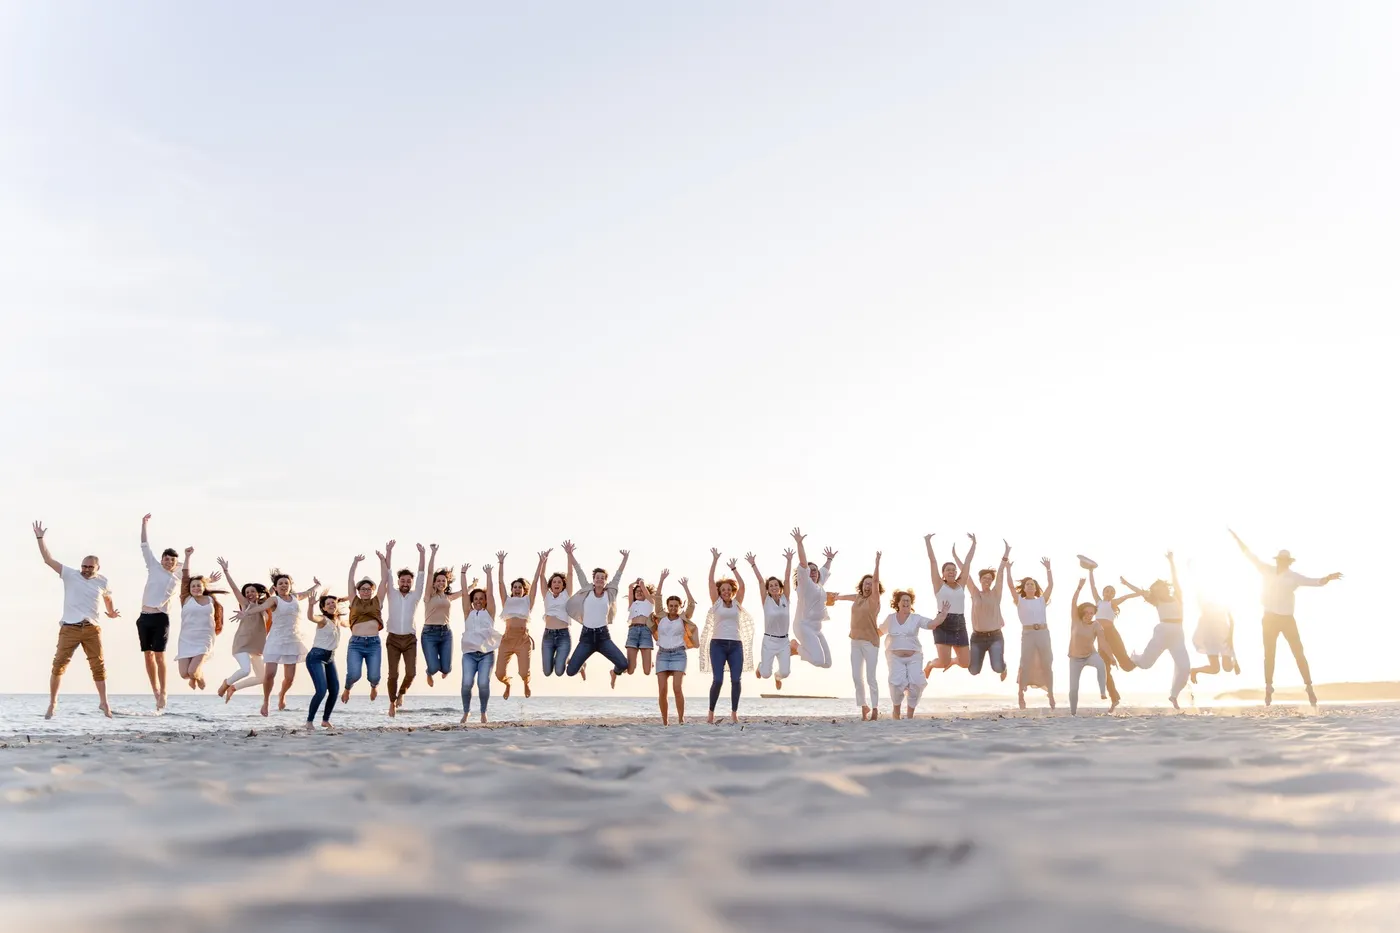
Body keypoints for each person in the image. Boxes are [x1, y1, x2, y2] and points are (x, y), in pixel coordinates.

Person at [1228, 529, 1342, 707]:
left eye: (1285, 561)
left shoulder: (1293, 577)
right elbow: (1250, 556)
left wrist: (1327, 578)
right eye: (1281, 561)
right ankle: (1268, 687)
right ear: (1278, 561)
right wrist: (1236, 538)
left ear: (1288, 562)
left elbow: (1313, 582)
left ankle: (1309, 686)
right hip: (1269, 619)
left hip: (1287, 620)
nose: (1283, 563)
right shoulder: (1267, 570)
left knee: (1298, 653)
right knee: (1269, 654)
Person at [32, 521, 118, 720]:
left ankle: (104, 702)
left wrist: (111, 612)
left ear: (97, 567)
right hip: (69, 628)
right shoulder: (70, 574)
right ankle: (53, 703)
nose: (86, 569)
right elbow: (48, 559)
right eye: (84, 566)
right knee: (58, 664)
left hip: (91, 628)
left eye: (90, 567)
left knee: (98, 665)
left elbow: (107, 596)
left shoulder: (103, 581)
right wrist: (40, 538)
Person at [242, 570, 318, 717]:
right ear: (275, 587)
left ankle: (282, 694)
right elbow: (261, 608)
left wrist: (317, 586)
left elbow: (308, 592)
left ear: (290, 585)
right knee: (270, 674)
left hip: (292, 640)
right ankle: (266, 702)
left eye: (286, 583)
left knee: (289, 678)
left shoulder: (296, 597)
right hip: (275, 640)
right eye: (280, 583)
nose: (283, 585)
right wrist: (246, 613)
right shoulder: (274, 600)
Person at [1121, 552, 1190, 710]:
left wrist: (1172, 561)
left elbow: (1176, 579)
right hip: (1162, 632)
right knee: (1145, 664)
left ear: (1166, 588)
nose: (1160, 591)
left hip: (1178, 634)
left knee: (1185, 667)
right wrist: (1126, 584)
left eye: (1162, 588)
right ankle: (1135, 657)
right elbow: (1140, 592)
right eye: (1157, 590)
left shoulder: (1178, 596)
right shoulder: (1157, 601)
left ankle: (1173, 695)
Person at [563, 542, 631, 687]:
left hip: (603, 637)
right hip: (586, 637)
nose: (599, 579)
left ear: (606, 581)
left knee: (623, 664)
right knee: (570, 672)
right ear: (593, 580)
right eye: (597, 577)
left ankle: (614, 673)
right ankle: (582, 666)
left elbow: (618, 575)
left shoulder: (610, 593)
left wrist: (625, 559)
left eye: (602, 578)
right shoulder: (587, 590)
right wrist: (570, 553)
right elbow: (578, 571)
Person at [700, 550, 753, 724]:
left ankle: (734, 712)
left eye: (729, 589)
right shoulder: (716, 604)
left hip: (736, 645)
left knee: (736, 679)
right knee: (718, 680)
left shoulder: (737, 604)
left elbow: (743, 586)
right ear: (719, 591)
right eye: (723, 590)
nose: (726, 592)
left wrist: (734, 569)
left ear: (732, 591)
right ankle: (711, 713)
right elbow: (709, 581)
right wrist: (715, 560)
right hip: (717, 645)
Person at [879, 590, 950, 719]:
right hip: (895, 658)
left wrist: (943, 614)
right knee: (896, 683)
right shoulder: (890, 619)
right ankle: (896, 712)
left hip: (914, 657)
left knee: (916, 682)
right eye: (903, 600)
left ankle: (910, 715)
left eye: (908, 600)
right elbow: (879, 632)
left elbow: (932, 624)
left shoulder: (916, 618)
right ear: (898, 603)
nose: (906, 602)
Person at [831, 552, 885, 721]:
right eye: (865, 584)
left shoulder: (874, 599)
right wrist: (836, 598)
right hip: (855, 642)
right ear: (861, 586)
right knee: (856, 676)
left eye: (870, 584)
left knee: (870, 677)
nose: (868, 586)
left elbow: (876, 582)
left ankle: (875, 708)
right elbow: (846, 597)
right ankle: (864, 707)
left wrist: (877, 563)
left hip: (870, 643)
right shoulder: (858, 598)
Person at [136, 514, 181, 710]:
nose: (169, 562)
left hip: (161, 617)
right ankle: (155, 691)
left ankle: (164, 691)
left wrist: (210, 581)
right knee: (147, 655)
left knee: (159, 655)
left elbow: (195, 579)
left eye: (172, 560)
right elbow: (145, 545)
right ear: (162, 559)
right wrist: (144, 524)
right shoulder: (154, 567)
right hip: (144, 617)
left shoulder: (177, 575)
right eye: (167, 559)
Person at [215, 558, 271, 703]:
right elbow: (234, 589)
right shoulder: (245, 604)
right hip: (242, 644)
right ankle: (226, 683)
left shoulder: (265, 605)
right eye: (247, 592)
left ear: (258, 593)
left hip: (257, 646)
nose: (249, 594)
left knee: (262, 678)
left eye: (253, 591)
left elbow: (274, 592)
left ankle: (233, 687)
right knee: (245, 670)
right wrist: (226, 571)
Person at [1085, 561, 1138, 711]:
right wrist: (1090, 571)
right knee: (1104, 669)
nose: (1108, 593)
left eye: (1111, 592)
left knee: (1126, 666)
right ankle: (1114, 699)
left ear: (1113, 595)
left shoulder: (1113, 603)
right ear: (1103, 593)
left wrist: (1128, 584)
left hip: (1112, 635)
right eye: (1106, 591)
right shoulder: (1098, 602)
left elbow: (1128, 596)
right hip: (1101, 636)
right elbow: (1093, 587)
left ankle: (1138, 660)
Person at [383, 541, 427, 717]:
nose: (405, 583)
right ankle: (392, 702)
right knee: (393, 674)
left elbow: (422, 575)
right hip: (393, 638)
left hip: (409, 639)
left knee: (411, 673)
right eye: (403, 580)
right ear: (399, 581)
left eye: (409, 581)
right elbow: (387, 573)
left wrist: (422, 555)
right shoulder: (391, 593)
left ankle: (401, 693)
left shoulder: (415, 595)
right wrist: (388, 551)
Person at [649, 570, 698, 725]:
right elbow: (657, 597)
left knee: (677, 688)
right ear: (667, 606)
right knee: (662, 690)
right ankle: (665, 721)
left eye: (676, 606)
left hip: (678, 654)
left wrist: (686, 587)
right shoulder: (661, 615)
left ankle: (681, 719)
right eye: (670, 605)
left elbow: (691, 604)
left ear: (679, 606)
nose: (673, 608)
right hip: (662, 654)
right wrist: (661, 579)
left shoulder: (683, 618)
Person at [341, 549, 389, 705]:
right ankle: (348, 688)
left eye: (369, 589)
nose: (366, 591)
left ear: (372, 590)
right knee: (354, 674)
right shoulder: (354, 601)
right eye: (363, 589)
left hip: (374, 643)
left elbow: (384, 580)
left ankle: (374, 686)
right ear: (359, 591)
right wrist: (355, 563)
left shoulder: (377, 601)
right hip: (356, 643)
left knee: (374, 676)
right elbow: (349, 580)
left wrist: (382, 560)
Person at [173, 548, 226, 690]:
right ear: (189, 588)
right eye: (193, 586)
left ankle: (198, 676)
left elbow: (218, 618)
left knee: (191, 671)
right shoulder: (186, 598)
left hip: (204, 639)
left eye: (199, 586)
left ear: (204, 587)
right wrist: (187, 556)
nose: (196, 588)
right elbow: (185, 576)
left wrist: (217, 630)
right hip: (186, 639)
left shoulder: (210, 600)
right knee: (184, 674)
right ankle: (197, 676)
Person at [496, 550, 545, 699]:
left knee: (524, 672)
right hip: (507, 639)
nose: (517, 589)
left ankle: (525, 683)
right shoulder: (507, 601)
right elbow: (500, 581)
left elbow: (535, 581)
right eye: (515, 587)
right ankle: (507, 684)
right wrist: (501, 563)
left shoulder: (527, 601)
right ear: (512, 590)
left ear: (524, 590)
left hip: (523, 640)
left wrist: (541, 562)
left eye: (520, 587)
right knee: (499, 674)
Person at [1009, 556, 1056, 710]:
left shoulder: (1041, 600)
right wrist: (1008, 569)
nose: (1030, 586)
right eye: (1027, 584)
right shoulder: (1020, 601)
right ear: (1024, 588)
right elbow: (1010, 586)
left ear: (1035, 588)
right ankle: (1020, 694)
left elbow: (1051, 585)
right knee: (1025, 663)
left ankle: (1051, 694)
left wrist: (1048, 569)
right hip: (1028, 634)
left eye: (1032, 584)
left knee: (1047, 662)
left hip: (1043, 632)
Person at [923, 533, 974, 674]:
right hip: (943, 623)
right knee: (942, 662)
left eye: (953, 570)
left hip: (959, 624)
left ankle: (952, 661)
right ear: (943, 573)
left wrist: (974, 544)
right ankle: (930, 665)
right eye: (948, 570)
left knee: (965, 663)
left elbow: (968, 563)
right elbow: (933, 561)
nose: (951, 572)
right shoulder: (939, 585)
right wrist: (927, 541)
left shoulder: (961, 584)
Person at [746, 548, 795, 689]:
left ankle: (778, 677)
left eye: (776, 585)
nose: (773, 587)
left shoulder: (786, 598)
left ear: (780, 588)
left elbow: (787, 578)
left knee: (785, 672)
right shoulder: (766, 600)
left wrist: (789, 560)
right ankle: (760, 666)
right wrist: (753, 564)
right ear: (768, 589)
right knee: (765, 674)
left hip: (784, 641)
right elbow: (761, 581)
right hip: (769, 641)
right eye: (771, 585)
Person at [460, 563, 502, 724]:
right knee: (466, 683)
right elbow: (464, 594)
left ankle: (483, 712)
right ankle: (466, 712)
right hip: (469, 654)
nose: (478, 601)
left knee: (483, 683)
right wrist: (463, 573)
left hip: (487, 654)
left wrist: (489, 574)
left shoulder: (489, 612)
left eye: (481, 599)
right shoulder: (468, 613)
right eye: (475, 599)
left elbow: (491, 594)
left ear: (485, 601)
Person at [421, 553, 471, 687]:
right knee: (433, 668)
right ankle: (429, 673)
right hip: (429, 634)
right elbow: (430, 573)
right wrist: (433, 553)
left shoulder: (448, 597)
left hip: (446, 633)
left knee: (447, 669)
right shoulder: (429, 596)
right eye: (438, 580)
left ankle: (444, 669)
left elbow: (463, 593)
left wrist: (472, 585)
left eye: (443, 580)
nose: (441, 583)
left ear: (447, 583)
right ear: (434, 583)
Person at [789, 527, 836, 669]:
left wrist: (829, 559)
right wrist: (799, 543)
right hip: (803, 627)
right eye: (810, 571)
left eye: (815, 570)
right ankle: (795, 646)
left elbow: (825, 569)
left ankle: (797, 650)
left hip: (816, 628)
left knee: (827, 663)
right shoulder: (804, 585)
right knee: (818, 660)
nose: (813, 572)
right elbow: (803, 563)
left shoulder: (819, 584)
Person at [966, 540, 1012, 681]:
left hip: (995, 637)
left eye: (989, 579)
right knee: (973, 671)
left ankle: (1004, 668)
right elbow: (965, 573)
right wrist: (957, 556)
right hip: (977, 638)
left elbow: (1000, 573)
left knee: (997, 667)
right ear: (980, 580)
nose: (987, 580)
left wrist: (1006, 554)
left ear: (992, 581)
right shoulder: (974, 592)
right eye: (984, 578)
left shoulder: (996, 593)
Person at [303, 584, 346, 730]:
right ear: (323, 608)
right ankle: (309, 722)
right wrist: (310, 606)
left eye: (333, 603)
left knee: (334, 690)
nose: (332, 605)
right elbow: (310, 617)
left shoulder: (338, 620)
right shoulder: (322, 620)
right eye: (328, 604)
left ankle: (325, 720)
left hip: (330, 658)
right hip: (316, 657)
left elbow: (344, 601)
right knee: (321, 690)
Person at [1066, 579, 1108, 715]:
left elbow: (1102, 642)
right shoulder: (1076, 620)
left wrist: (1111, 657)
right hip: (1075, 658)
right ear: (1082, 612)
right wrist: (1079, 587)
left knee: (1101, 664)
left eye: (1092, 613)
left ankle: (1103, 691)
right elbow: (1073, 603)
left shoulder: (1096, 625)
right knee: (1073, 688)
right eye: (1087, 613)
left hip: (1090, 655)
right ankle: (1073, 713)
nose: (1089, 615)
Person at [539, 546, 573, 679]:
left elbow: (570, 574)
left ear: (563, 585)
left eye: (559, 582)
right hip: (548, 636)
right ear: (550, 585)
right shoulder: (546, 596)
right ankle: (563, 658)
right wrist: (544, 560)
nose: (557, 583)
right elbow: (541, 576)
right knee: (547, 672)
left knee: (559, 672)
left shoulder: (566, 595)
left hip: (563, 636)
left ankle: (571, 661)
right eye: (554, 582)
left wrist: (569, 554)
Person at [1190, 597, 1239, 684]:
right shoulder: (1205, 606)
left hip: (1223, 636)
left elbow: (1231, 621)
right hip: (1210, 638)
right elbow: (1198, 597)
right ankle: (1194, 671)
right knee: (1215, 669)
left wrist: (1230, 636)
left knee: (1227, 668)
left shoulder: (1223, 604)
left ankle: (1234, 663)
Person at [624, 576, 657, 676]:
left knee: (647, 672)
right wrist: (635, 582)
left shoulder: (650, 602)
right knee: (630, 671)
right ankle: (616, 670)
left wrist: (641, 583)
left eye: (641, 591)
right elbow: (630, 587)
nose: (639, 592)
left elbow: (644, 590)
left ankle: (649, 662)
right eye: (637, 591)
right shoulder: (632, 604)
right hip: (633, 632)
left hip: (645, 632)